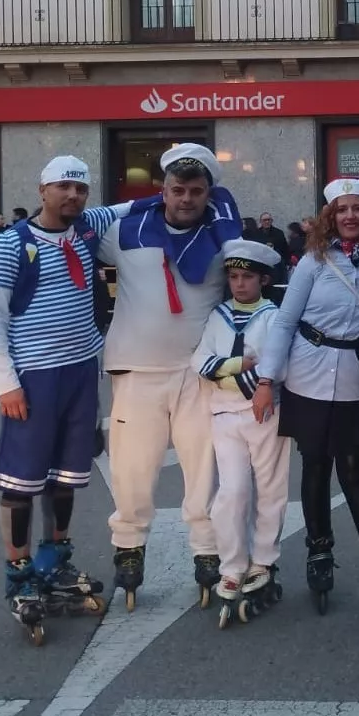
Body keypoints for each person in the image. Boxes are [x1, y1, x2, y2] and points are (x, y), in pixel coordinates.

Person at [0, 156, 124, 643]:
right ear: (42, 190)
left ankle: (54, 559)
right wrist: (6, 383)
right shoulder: (10, 243)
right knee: (21, 481)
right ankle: (19, 574)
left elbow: (135, 207)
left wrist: (199, 192)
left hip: (81, 372)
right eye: (63, 187)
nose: (73, 196)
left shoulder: (87, 228)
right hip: (34, 377)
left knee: (66, 477)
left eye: (80, 189)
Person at [252, 178, 359, 624]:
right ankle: (319, 550)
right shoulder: (314, 261)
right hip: (308, 374)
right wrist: (266, 380)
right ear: (330, 216)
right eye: (342, 209)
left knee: (356, 471)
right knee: (316, 464)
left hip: (356, 375)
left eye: (357, 208)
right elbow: (285, 321)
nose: (350, 216)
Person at [99, 143, 241, 611]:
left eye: (196, 191)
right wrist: (134, 204)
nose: (185, 199)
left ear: (208, 194)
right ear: (163, 191)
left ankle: (207, 550)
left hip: (198, 372)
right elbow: (79, 228)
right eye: (177, 190)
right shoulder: (125, 230)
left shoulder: (224, 237)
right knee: (131, 468)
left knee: (205, 468)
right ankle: (129, 546)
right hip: (137, 369)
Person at [191, 239, 287, 627]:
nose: (239, 284)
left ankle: (263, 560)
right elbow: (201, 360)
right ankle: (232, 564)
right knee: (232, 491)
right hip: (224, 414)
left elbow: (277, 365)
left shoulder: (273, 317)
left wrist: (228, 373)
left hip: (265, 412)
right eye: (233, 277)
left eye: (247, 277)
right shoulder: (218, 316)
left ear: (263, 279)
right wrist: (236, 365)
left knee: (271, 487)